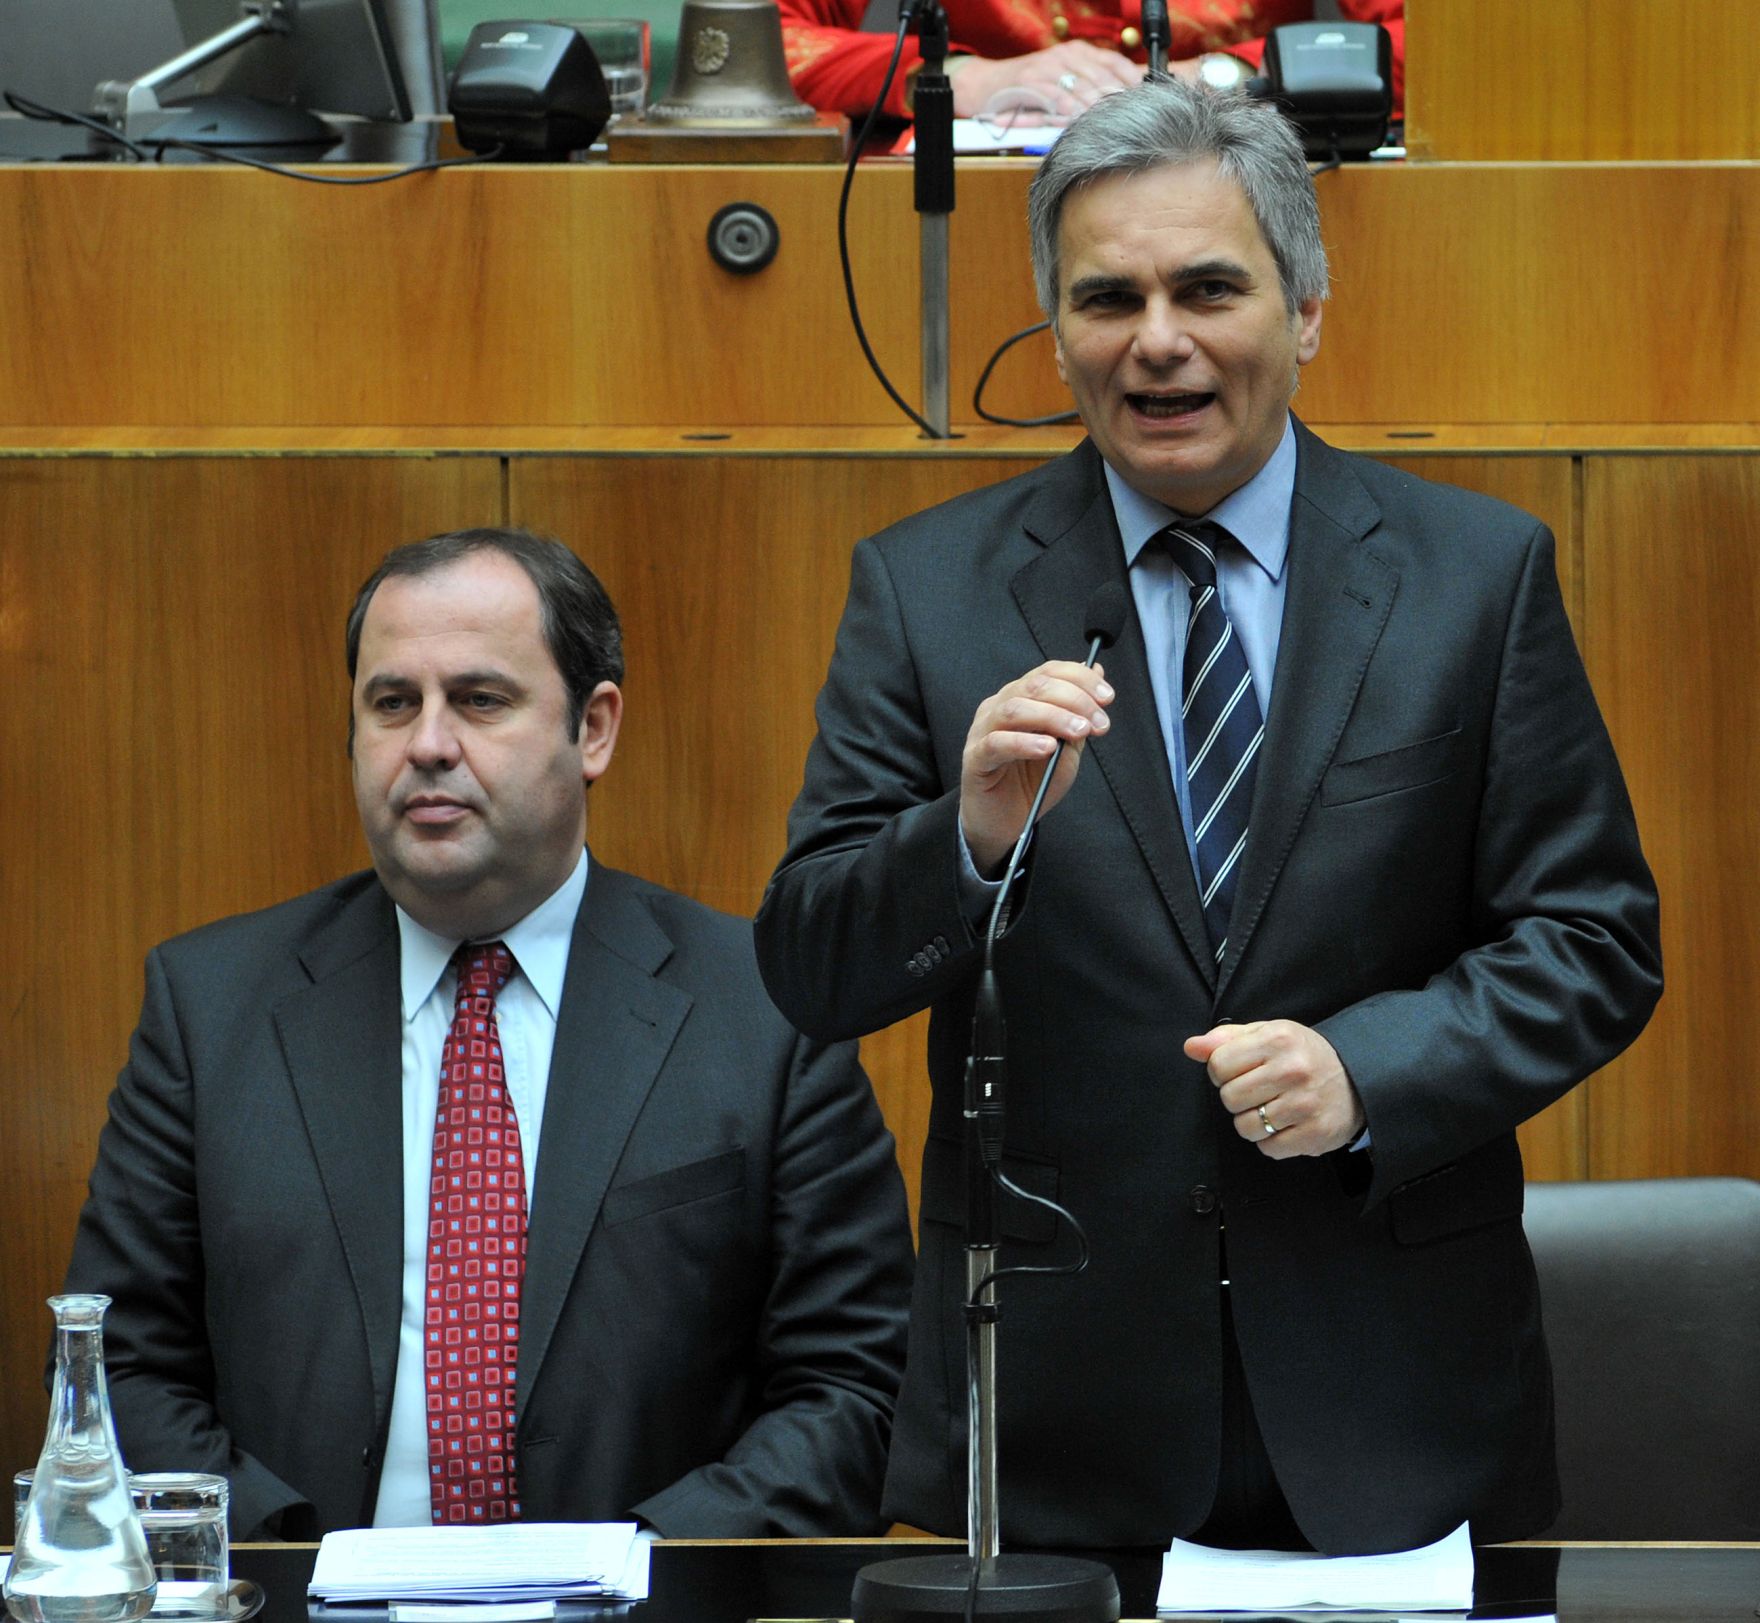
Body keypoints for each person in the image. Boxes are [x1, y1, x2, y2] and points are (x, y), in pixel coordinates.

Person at [754, 79, 1661, 1555]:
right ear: (1057, 329)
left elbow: (1593, 939)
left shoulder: (1471, 578)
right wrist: (965, 839)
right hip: (1057, 1425)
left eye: (1208, 289)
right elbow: (813, 967)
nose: (1156, 340)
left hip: (1396, 1398)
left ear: (1304, 312)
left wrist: (1368, 1068)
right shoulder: (927, 593)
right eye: (1107, 298)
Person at [63, 527, 913, 1540]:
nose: (427, 743)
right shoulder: (209, 1008)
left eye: (479, 699)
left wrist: (634, 1573)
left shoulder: (766, 1008)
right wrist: (301, 1573)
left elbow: (856, 1387)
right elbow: (115, 1366)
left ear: (592, 730)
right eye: (391, 703)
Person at [781, 0, 1401, 123]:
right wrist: (956, 77)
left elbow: (1437, 47)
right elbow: (752, 44)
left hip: (1242, 166)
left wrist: (1235, 74)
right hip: (986, 194)